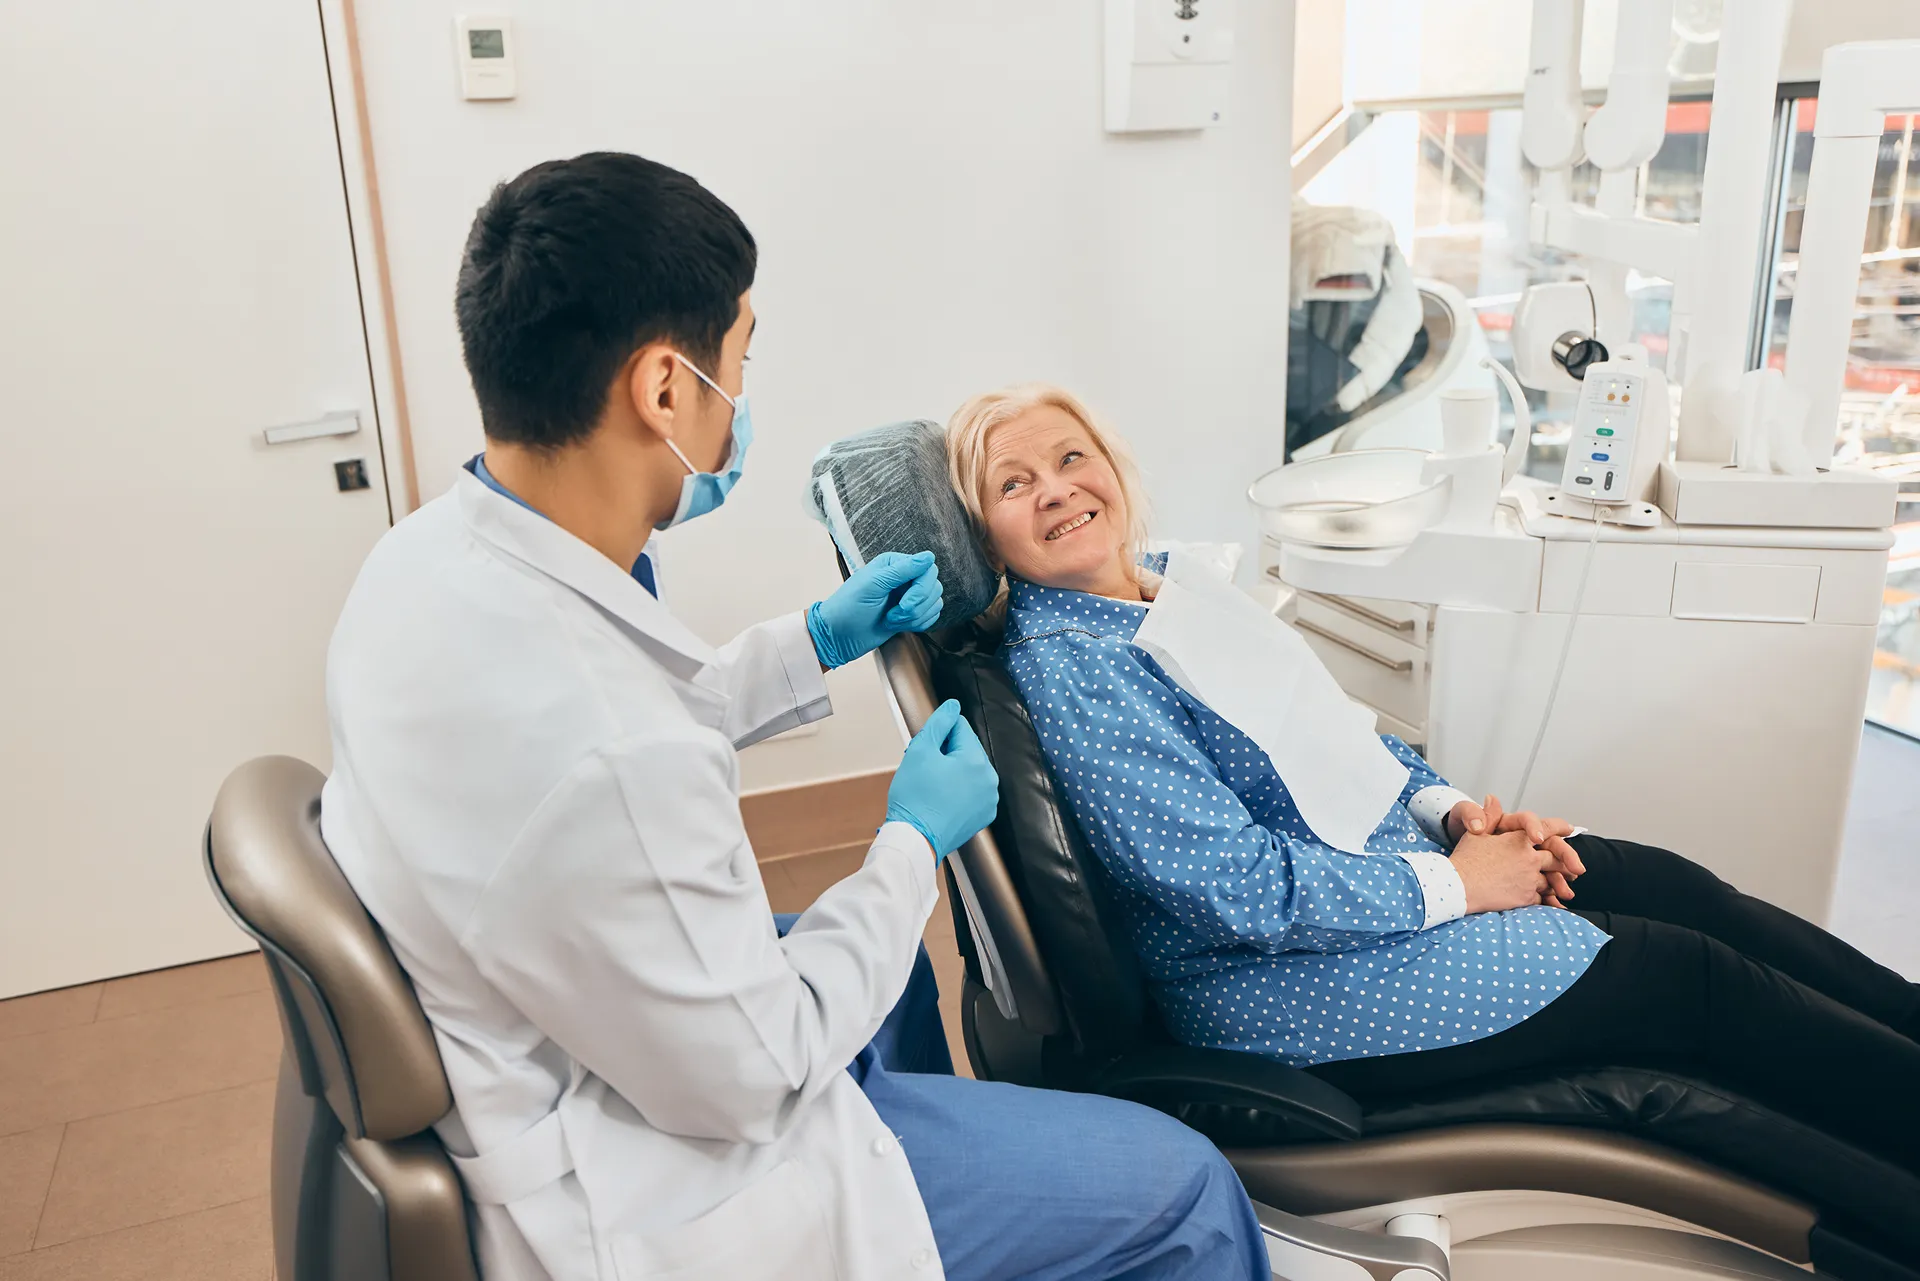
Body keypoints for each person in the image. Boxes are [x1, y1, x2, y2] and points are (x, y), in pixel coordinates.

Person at [320, 155, 1273, 1281]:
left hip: (555, 1007)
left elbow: (616, 731)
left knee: (899, 977)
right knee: (1187, 1190)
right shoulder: (604, 749)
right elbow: (754, 1067)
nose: (742, 395)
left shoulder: (429, 561)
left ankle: (961, 1176)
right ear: (664, 389)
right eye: (741, 357)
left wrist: (814, 638)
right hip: (659, 1175)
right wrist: (912, 843)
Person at [945, 380, 1920, 1179]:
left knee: (1662, 882)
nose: (1056, 490)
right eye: (1012, 484)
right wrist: (1465, 883)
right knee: (1685, 979)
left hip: (1378, 868)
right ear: (988, 536)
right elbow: (1232, 891)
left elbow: (1338, 738)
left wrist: (1452, 814)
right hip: (1280, 981)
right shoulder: (1076, 666)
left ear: (1113, 468)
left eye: (1071, 458)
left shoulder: (1168, 586)